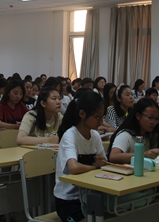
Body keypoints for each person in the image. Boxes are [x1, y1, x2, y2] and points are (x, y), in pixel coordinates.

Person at [54, 91, 107, 222]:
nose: (101, 121)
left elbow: (104, 164)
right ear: (82, 114)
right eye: (97, 117)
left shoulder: (95, 136)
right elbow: (74, 167)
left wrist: (102, 163)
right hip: (68, 200)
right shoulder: (70, 135)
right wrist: (94, 167)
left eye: (102, 117)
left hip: (89, 196)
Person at [108, 98, 159, 163]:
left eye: (156, 119)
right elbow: (113, 156)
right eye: (150, 118)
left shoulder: (152, 134)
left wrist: (155, 151)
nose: (153, 122)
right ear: (138, 116)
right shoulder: (126, 135)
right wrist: (143, 155)